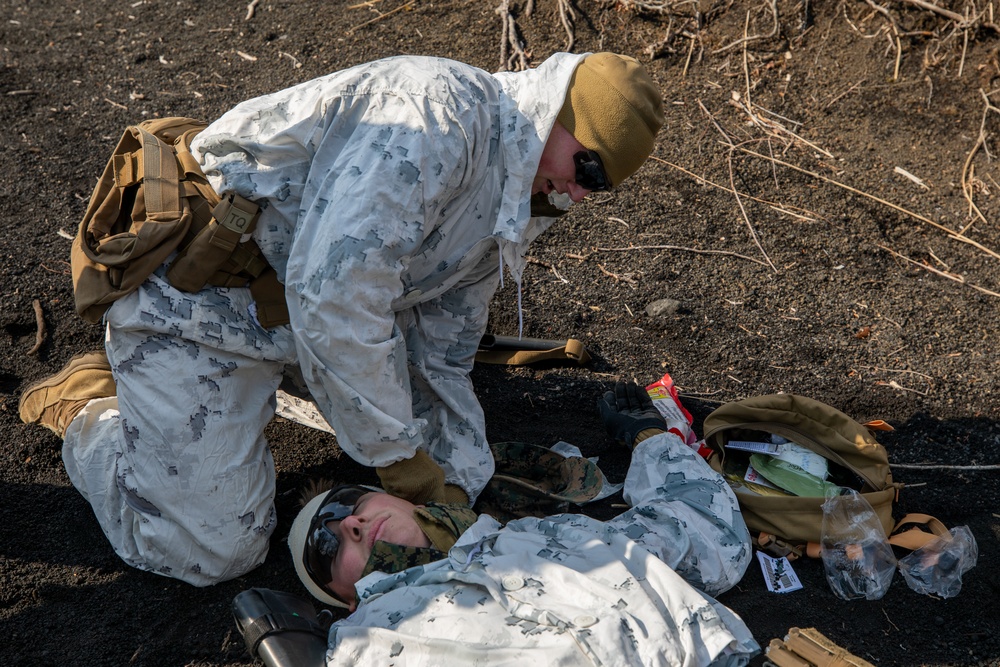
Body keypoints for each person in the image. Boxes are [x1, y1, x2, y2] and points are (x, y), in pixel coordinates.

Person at [18, 52, 665, 586]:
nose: (580, 194)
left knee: (441, 450)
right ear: (556, 117)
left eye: (599, 188)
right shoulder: (436, 117)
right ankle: (94, 405)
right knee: (212, 550)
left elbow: (443, 348)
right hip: (196, 299)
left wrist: (456, 484)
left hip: (297, 314)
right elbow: (335, 300)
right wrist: (400, 460)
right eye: (586, 168)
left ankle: (246, 398)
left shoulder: (519, 193)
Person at [281, 382, 758, 665]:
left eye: (347, 503)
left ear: (400, 496)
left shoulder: (566, 536)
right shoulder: (370, 634)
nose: (351, 524)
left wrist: (650, 437)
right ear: (342, 601)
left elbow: (711, 537)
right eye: (326, 545)